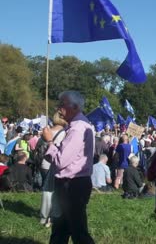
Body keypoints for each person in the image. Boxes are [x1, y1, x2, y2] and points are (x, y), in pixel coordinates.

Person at [42, 90, 95, 244]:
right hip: (73, 183)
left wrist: (49, 142)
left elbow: (61, 161)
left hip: (71, 185)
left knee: (77, 231)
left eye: (62, 104)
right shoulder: (77, 125)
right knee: (62, 228)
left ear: (75, 106)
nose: (59, 108)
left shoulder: (77, 128)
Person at [39, 111, 67, 228]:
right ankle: (49, 217)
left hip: (44, 163)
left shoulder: (46, 131)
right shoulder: (63, 134)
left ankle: (44, 216)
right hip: (54, 163)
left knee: (47, 190)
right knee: (53, 192)